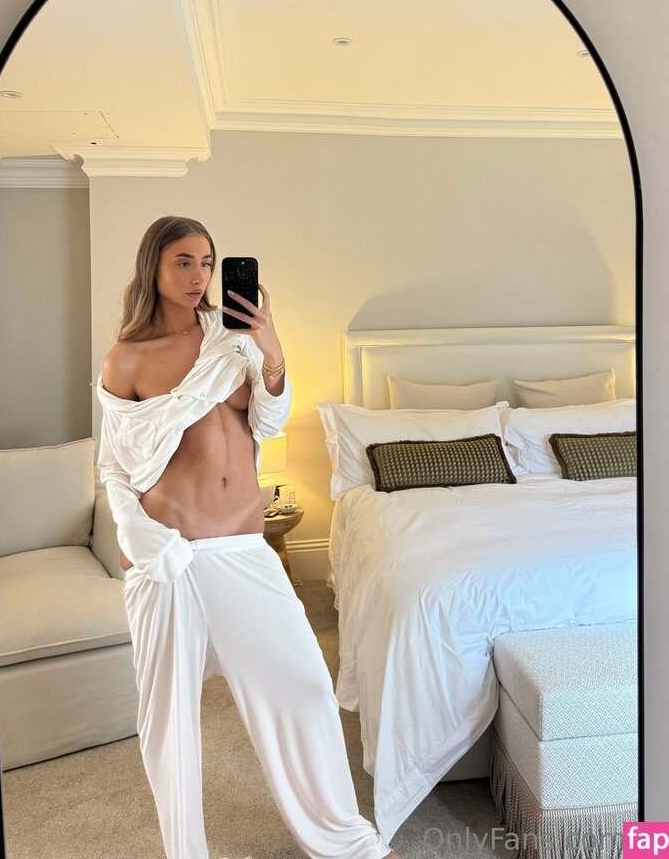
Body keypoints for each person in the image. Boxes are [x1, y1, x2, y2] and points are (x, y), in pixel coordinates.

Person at [96, 215, 400, 859]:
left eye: (207, 262)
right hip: (171, 556)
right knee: (170, 720)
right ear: (153, 266)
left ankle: (344, 841)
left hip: (241, 547)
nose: (198, 275)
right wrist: (135, 533)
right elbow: (114, 466)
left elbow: (269, 417)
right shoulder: (127, 358)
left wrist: (272, 349)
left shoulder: (230, 338)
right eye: (183, 261)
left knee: (306, 686)